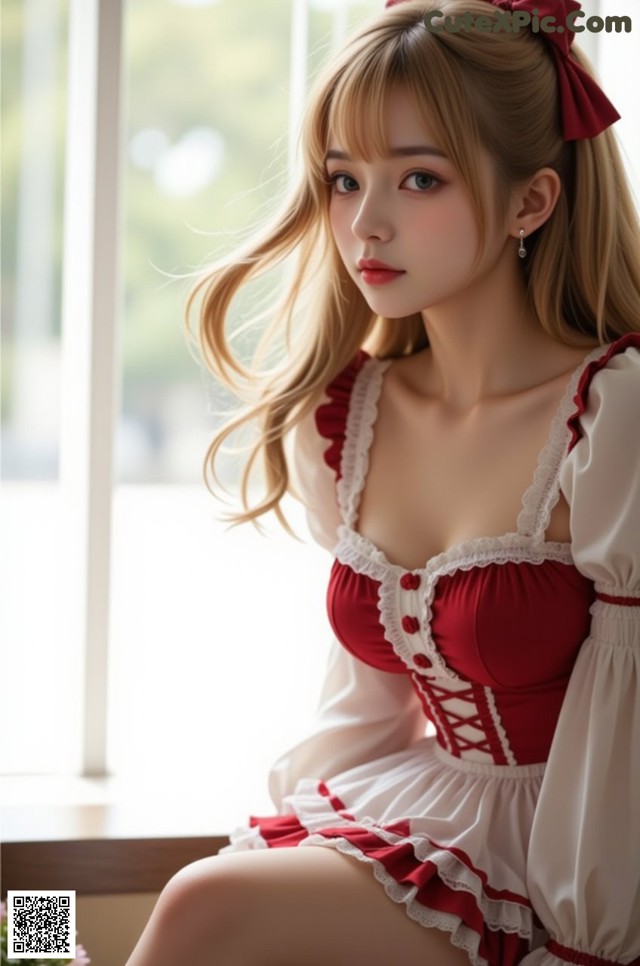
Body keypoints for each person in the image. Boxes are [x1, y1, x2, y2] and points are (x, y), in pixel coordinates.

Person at [126, 0, 640, 963]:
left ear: (532, 202)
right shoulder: (353, 412)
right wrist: (297, 828)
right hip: (420, 818)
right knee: (183, 904)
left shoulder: (613, 418)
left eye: (419, 178)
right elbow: (370, 701)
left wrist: (592, 940)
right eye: (343, 178)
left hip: (570, 860)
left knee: (203, 907)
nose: (367, 221)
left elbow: (629, 727)